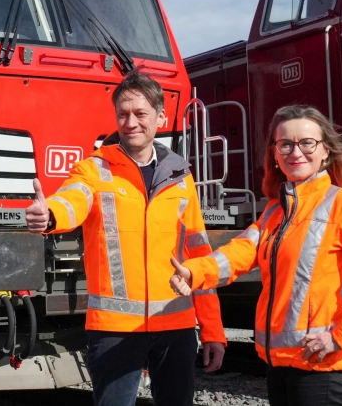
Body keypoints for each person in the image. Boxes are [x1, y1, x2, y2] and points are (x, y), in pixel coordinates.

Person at [169, 105, 342, 406]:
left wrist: (340, 336)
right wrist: (194, 272)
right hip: (280, 365)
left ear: (326, 152)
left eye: (307, 143)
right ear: (275, 155)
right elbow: (240, 253)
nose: (296, 152)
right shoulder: (274, 212)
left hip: (322, 366)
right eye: (285, 144)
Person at [26, 71, 226, 406]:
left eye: (140, 113)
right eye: (123, 114)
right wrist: (51, 216)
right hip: (114, 329)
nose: (130, 122)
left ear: (160, 118)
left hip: (174, 324)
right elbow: (72, 200)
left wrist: (213, 330)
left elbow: (198, 256)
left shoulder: (180, 176)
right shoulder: (94, 169)